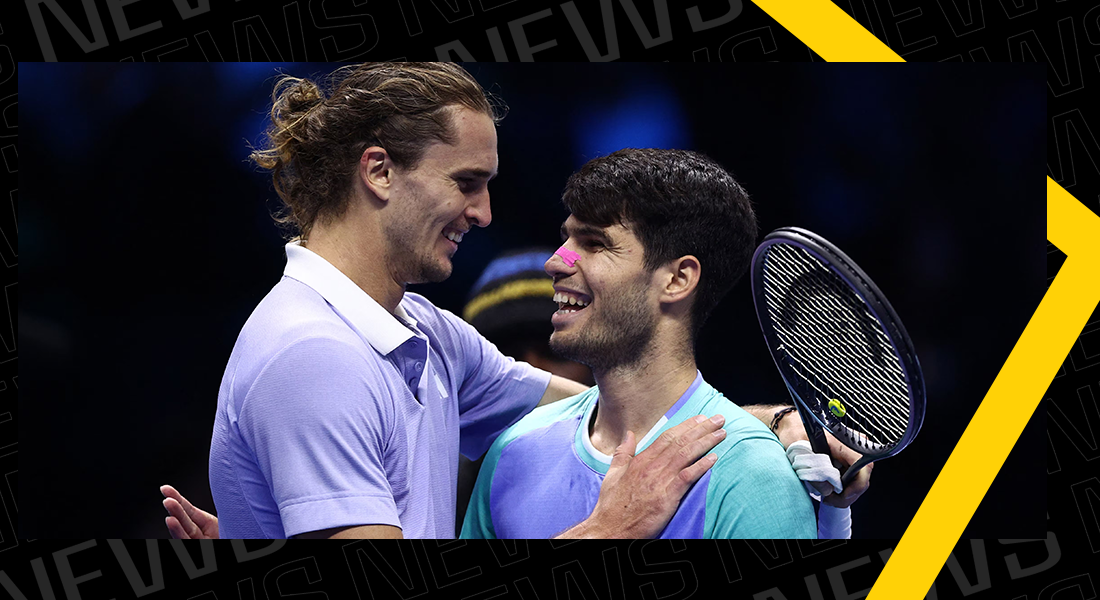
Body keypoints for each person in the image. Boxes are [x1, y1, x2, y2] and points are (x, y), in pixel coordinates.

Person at [167, 63, 730, 539]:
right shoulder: (315, 356)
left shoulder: (427, 333)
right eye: (466, 182)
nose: (483, 212)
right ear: (380, 171)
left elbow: (615, 407)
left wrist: (765, 424)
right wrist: (605, 530)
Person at [459, 148, 870, 539]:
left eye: (594, 243)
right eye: (567, 239)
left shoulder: (754, 473)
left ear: (677, 279)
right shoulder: (512, 451)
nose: (555, 261)